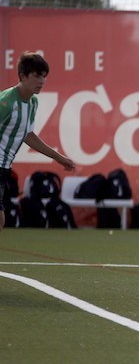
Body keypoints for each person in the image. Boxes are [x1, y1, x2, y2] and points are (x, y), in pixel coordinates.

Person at [0, 52, 75, 231]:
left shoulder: (32, 103)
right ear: (23, 76)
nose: (41, 81)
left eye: (43, 76)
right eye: (36, 75)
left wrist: (59, 158)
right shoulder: (6, 102)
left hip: (4, 168)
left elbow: (28, 136)